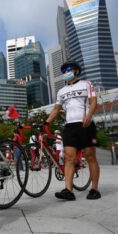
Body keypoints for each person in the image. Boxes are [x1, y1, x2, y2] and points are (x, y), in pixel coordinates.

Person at [46, 60, 101, 201]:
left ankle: (94, 189)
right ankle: (68, 190)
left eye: (68, 69)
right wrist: (45, 123)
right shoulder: (61, 91)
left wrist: (89, 117)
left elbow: (93, 101)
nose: (66, 73)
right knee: (69, 157)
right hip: (70, 126)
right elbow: (56, 109)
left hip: (85, 125)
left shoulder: (86, 84)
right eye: (64, 71)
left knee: (90, 156)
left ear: (76, 70)